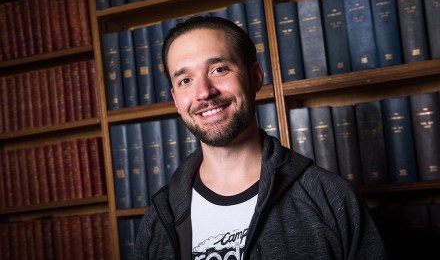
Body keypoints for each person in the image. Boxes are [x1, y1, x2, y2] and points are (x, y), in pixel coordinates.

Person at [134, 16, 387, 259]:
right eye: (186, 80)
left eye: (219, 69)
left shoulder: (331, 198)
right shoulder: (159, 217)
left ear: (255, 77)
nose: (203, 92)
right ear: (176, 99)